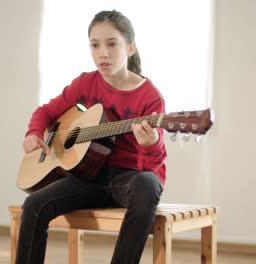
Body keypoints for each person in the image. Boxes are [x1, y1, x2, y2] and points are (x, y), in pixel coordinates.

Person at [16, 10, 167, 264]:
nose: (103, 53)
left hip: (129, 178)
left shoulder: (150, 96)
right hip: (88, 176)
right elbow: (45, 112)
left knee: (148, 184)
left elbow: (152, 166)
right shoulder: (86, 83)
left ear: (130, 48)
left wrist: (152, 143)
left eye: (112, 44)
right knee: (33, 205)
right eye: (95, 45)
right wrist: (33, 133)